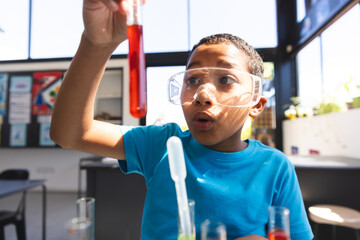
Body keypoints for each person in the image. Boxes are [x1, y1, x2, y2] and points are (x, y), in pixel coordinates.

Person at [50, 0, 314, 239]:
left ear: (256, 103)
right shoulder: (163, 145)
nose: (202, 94)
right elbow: (70, 133)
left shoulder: (274, 167)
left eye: (225, 80)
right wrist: (97, 43)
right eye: (193, 79)